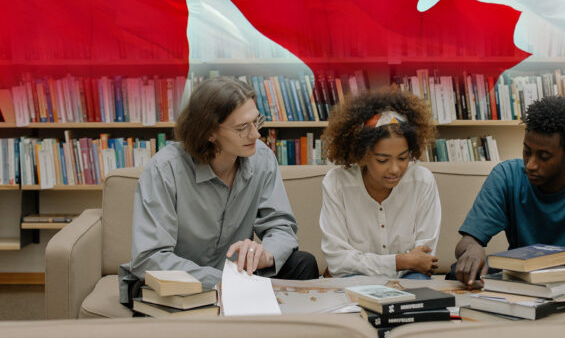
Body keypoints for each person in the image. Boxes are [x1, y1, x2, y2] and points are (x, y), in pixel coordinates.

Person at [119, 77, 318, 306]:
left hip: (235, 275)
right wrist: (225, 281)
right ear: (209, 132)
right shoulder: (164, 170)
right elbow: (150, 258)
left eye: (256, 122)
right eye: (243, 128)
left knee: (303, 263)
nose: (256, 135)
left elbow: (281, 226)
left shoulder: (261, 158)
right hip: (180, 281)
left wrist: (266, 254)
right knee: (170, 290)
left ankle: (282, 336)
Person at [451, 95, 565, 319]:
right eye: (527, 151)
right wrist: (473, 249)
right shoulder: (506, 175)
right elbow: (467, 242)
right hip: (523, 276)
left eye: (543, 156)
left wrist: (547, 257)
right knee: (459, 272)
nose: (531, 165)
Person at [319, 89, 441, 279]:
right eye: (383, 160)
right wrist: (401, 261)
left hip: (410, 276)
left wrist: (406, 263)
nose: (395, 169)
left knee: (419, 286)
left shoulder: (422, 181)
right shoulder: (336, 183)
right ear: (363, 155)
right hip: (356, 278)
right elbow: (338, 261)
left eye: (403, 158)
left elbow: (424, 259)